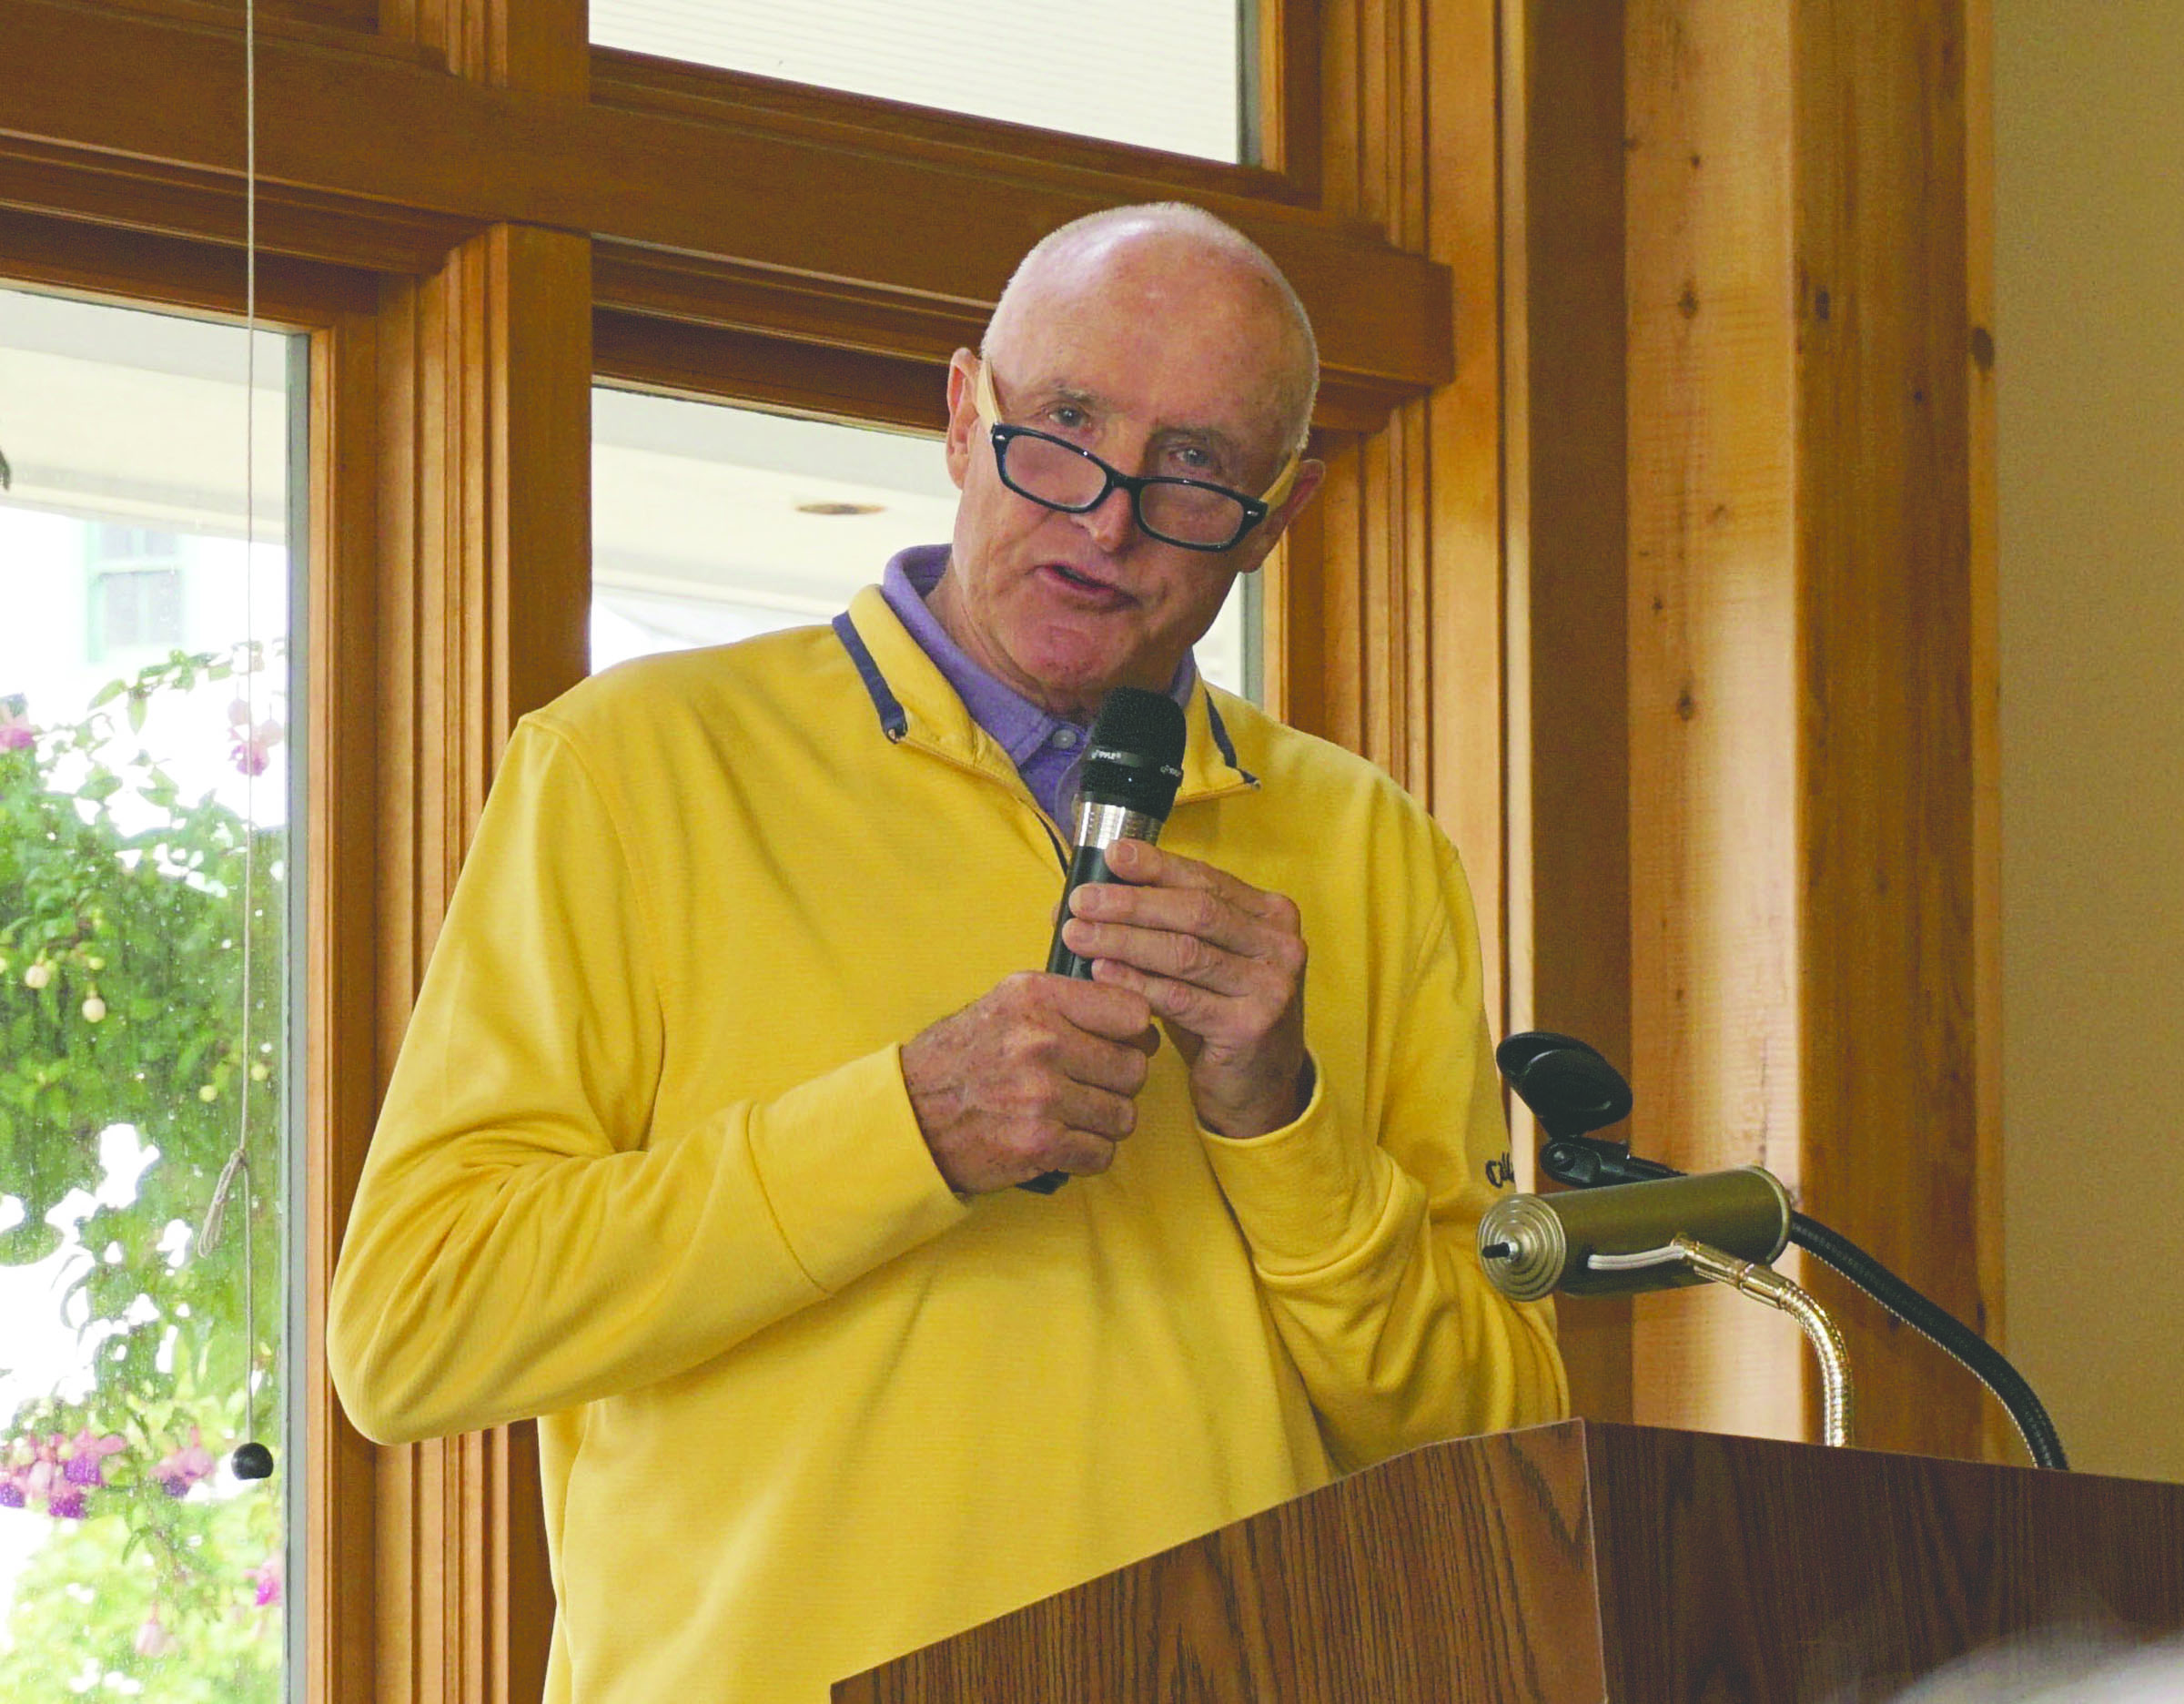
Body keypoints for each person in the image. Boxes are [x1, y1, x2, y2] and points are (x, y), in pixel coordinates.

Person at [327, 202, 1566, 1702]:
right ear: (962, 414)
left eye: (1192, 473)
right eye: (1063, 427)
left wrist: (1281, 1121)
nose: (1105, 521)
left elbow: (1493, 1448)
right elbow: (412, 1332)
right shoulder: (631, 768)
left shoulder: (1374, 848)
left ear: (1277, 515)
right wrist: (906, 1124)